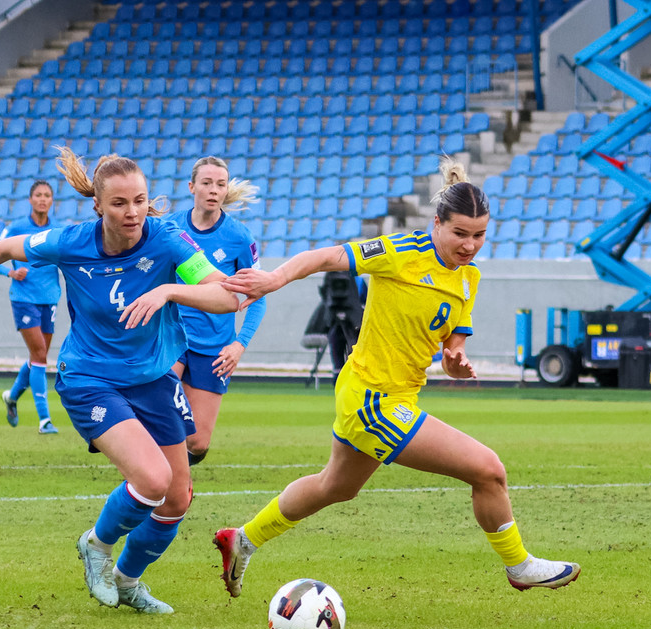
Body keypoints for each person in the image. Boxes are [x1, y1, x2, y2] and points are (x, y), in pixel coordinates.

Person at [214, 158, 581, 599]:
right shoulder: (400, 251)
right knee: (488, 471)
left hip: (395, 396)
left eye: (479, 235)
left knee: (335, 486)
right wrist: (274, 278)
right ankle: (519, 566)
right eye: (460, 233)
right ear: (437, 223)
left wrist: (455, 361)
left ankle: (243, 539)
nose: (470, 245)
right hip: (371, 398)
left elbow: (452, 343)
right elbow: (327, 256)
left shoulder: (468, 278)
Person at [0, 147, 240, 614]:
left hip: (153, 378)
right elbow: (2, 249)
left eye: (140, 200)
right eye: (119, 203)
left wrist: (168, 289)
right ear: (98, 205)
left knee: (176, 498)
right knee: (152, 479)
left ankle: (128, 582)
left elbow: (225, 296)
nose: (132, 212)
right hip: (90, 378)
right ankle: (96, 546)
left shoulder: (167, 241)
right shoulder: (71, 242)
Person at [166, 157, 266, 466]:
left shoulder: (239, 238)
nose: (213, 190)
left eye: (220, 184)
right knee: (160, 412)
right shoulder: (170, 228)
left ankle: (172, 468)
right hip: (171, 337)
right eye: (206, 183)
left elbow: (258, 298)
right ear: (191, 187)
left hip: (214, 346)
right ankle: (150, 477)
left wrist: (239, 345)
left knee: (197, 442)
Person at [0, 180, 61, 434]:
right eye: (38, 195)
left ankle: (11, 397)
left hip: (50, 299)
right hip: (24, 299)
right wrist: (10, 273)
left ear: (52, 200)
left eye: (47, 195)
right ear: (30, 200)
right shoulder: (17, 228)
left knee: (37, 357)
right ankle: (45, 420)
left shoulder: (58, 230)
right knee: (40, 355)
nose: (42, 199)